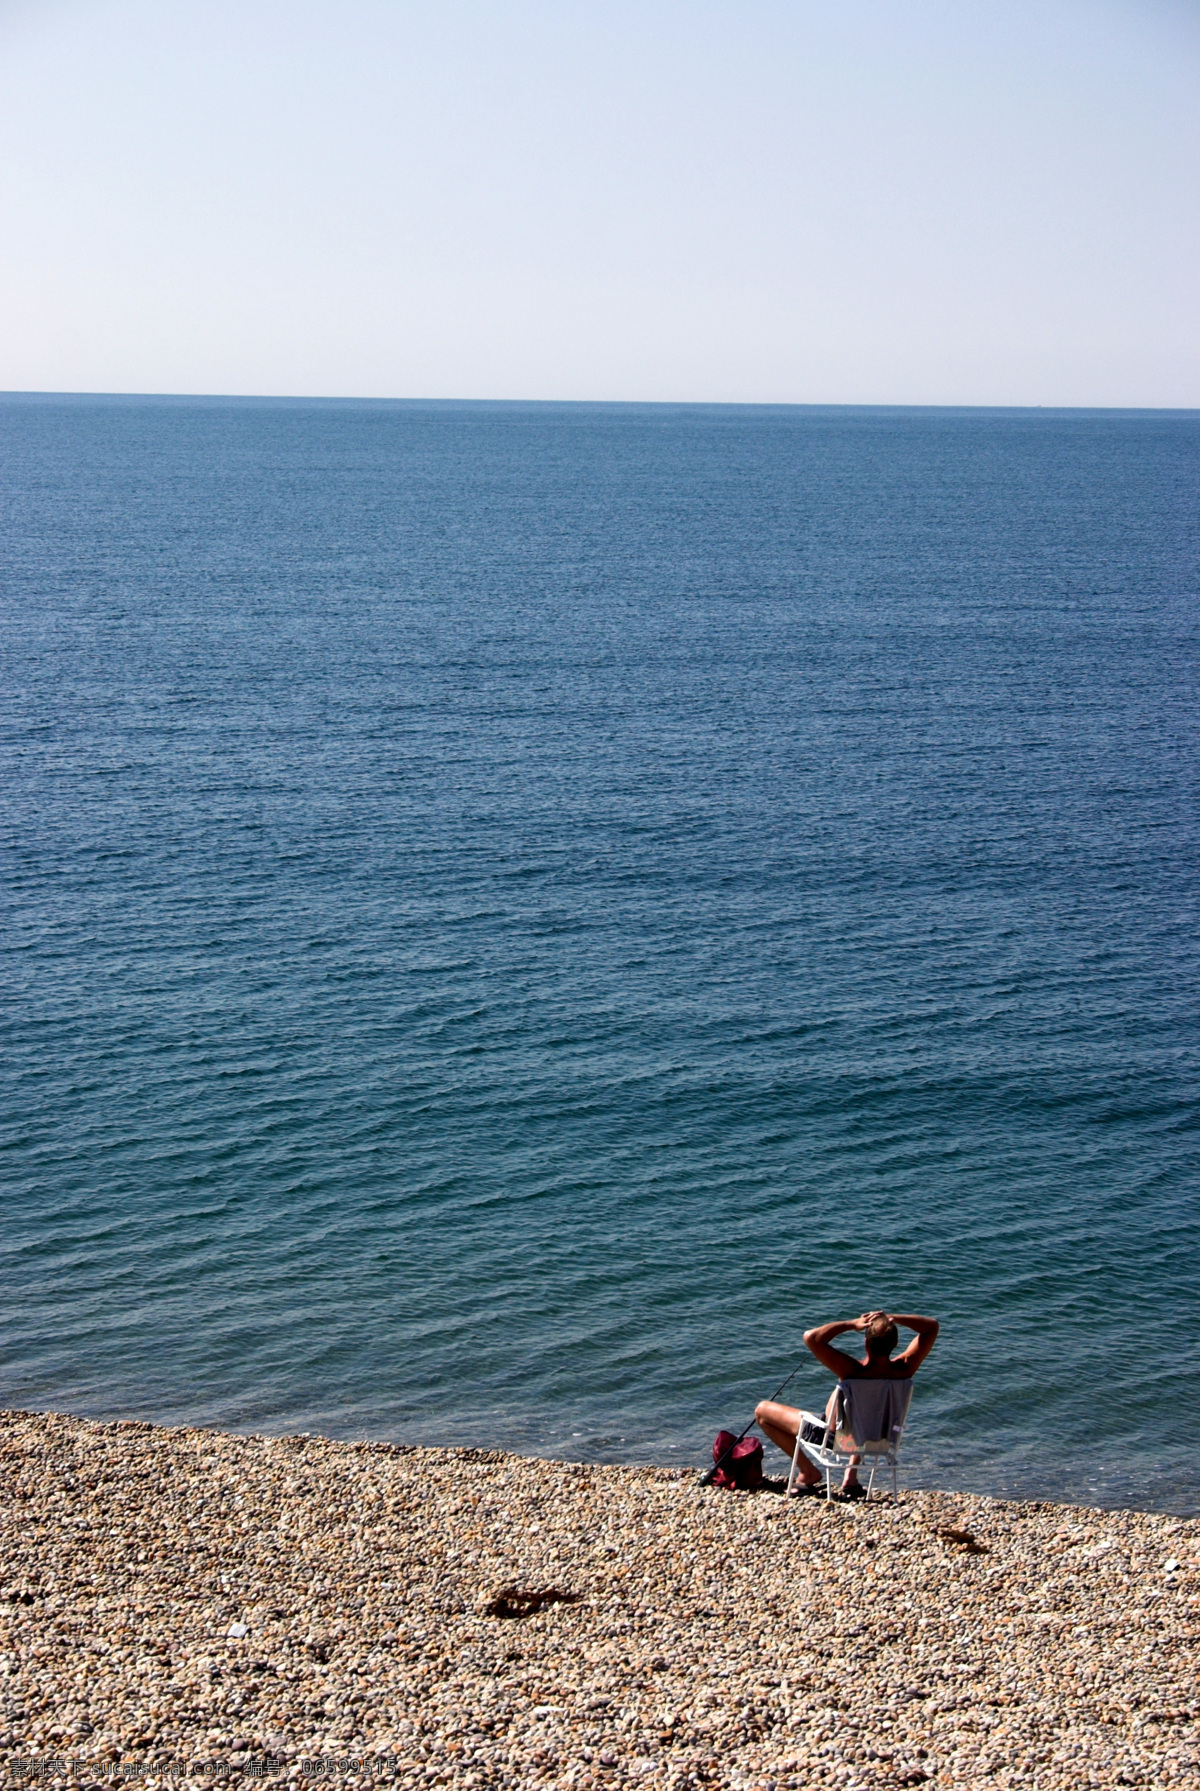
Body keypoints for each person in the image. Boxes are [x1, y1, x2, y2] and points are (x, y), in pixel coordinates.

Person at [755, 1310, 939, 1499]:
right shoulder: (905, 1368)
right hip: (878, 1438)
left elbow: (811, 1337)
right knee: (865, 1413)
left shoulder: (851, 1370)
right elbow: (931, 1326)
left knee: (762, 1411)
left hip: (836, 1439)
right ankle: (850, 1477)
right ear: (896, 1344)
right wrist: (894, 1318)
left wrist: (851, 1324)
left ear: (866, 1343)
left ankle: (808, 1472)